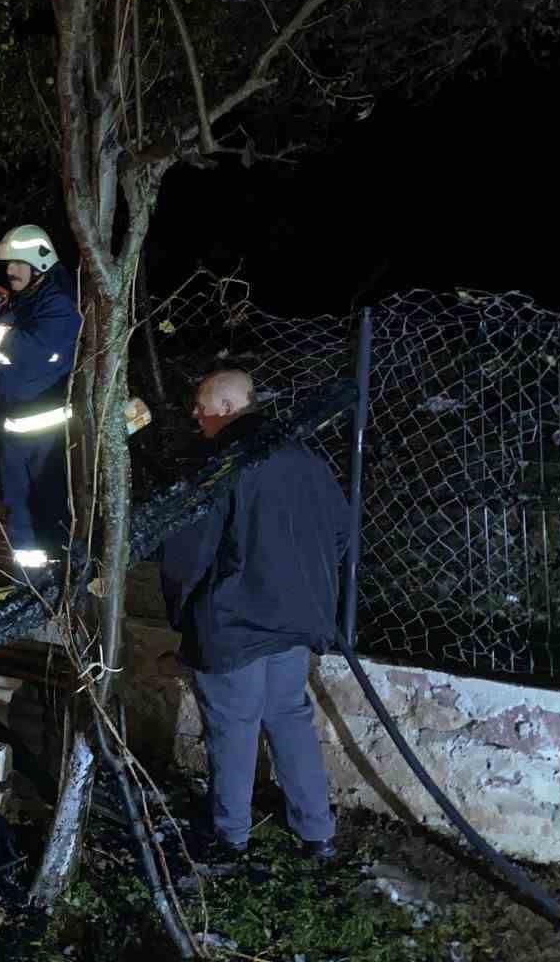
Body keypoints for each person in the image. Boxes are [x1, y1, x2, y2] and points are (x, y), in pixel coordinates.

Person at [159, 369, 347, 865]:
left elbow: (188, 549)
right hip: (296, 619)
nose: (196, 417)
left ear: (224, 408)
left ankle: (230, 837)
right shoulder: (306, 458)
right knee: (289, 718)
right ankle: (318, 833)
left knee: (233, 727)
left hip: (234, 621)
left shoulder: (222, 460)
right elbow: (341, 533)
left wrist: (185, 611)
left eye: (201, 406)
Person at [0, 224, 82, 571]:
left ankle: (60, 586)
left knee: (51, 509)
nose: (10, 270)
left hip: (46, 436)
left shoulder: (58, 305)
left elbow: (28, 351)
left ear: (40, 263)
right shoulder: (28, 300)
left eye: (18, 263)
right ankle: (28, 587)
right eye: (8, 264)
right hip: (15, 431)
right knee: (18, 508)